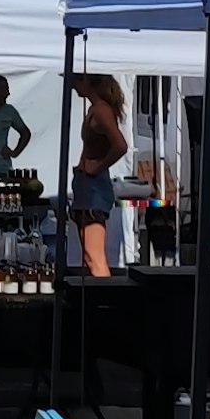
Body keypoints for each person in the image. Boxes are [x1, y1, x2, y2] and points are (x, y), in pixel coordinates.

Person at [71, 73, 130, 277]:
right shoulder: (96, 109)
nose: (72, 85)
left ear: (87, 81)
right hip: (88, 183)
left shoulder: (101, 111)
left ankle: (108, 301)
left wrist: (97, 167)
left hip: (93, 184)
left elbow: (120, 145)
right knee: (90, 255)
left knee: (94, 256)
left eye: (75, 80)